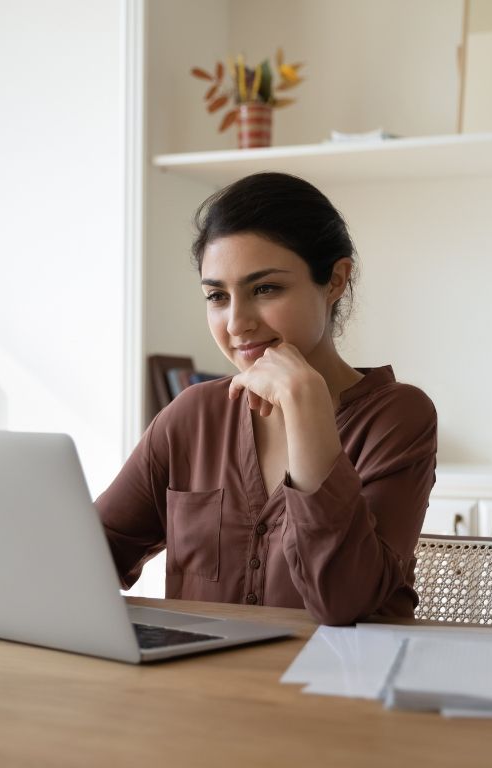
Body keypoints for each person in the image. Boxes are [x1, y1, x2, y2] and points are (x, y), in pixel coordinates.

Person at [95, 172, 437, 625]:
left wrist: (306, 405)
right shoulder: (192, 415)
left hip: (341, 689)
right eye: (217, 296)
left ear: (335, 280)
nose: (237, 323)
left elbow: (342, 602)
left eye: (265, 289)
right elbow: (89, 556)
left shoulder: (398, 417)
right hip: (199, 689)